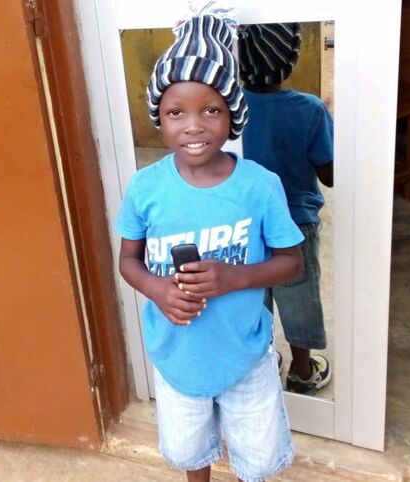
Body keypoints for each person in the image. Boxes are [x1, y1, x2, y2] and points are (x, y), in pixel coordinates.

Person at [115, 8, 305, 482]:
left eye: (211, 110)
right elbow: (128, 261)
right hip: (177, 354)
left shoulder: (259, 185)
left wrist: (233, 277)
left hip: (245, 352)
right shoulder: (145, 188)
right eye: (175, 112)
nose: (193, 125)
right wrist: (158, 289)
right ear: (158, 118)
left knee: (256, 459)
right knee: (190, 450)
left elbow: (292, 262)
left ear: (233, 114)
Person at [238, 23, 334, 394]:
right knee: (299, 300)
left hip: (245, 223)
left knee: (252, 298)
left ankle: (262, 363)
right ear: (291, 58)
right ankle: (303, 371)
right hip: (295, 225)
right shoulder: (310, 109)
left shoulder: (228, 109)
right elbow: (329, 174)